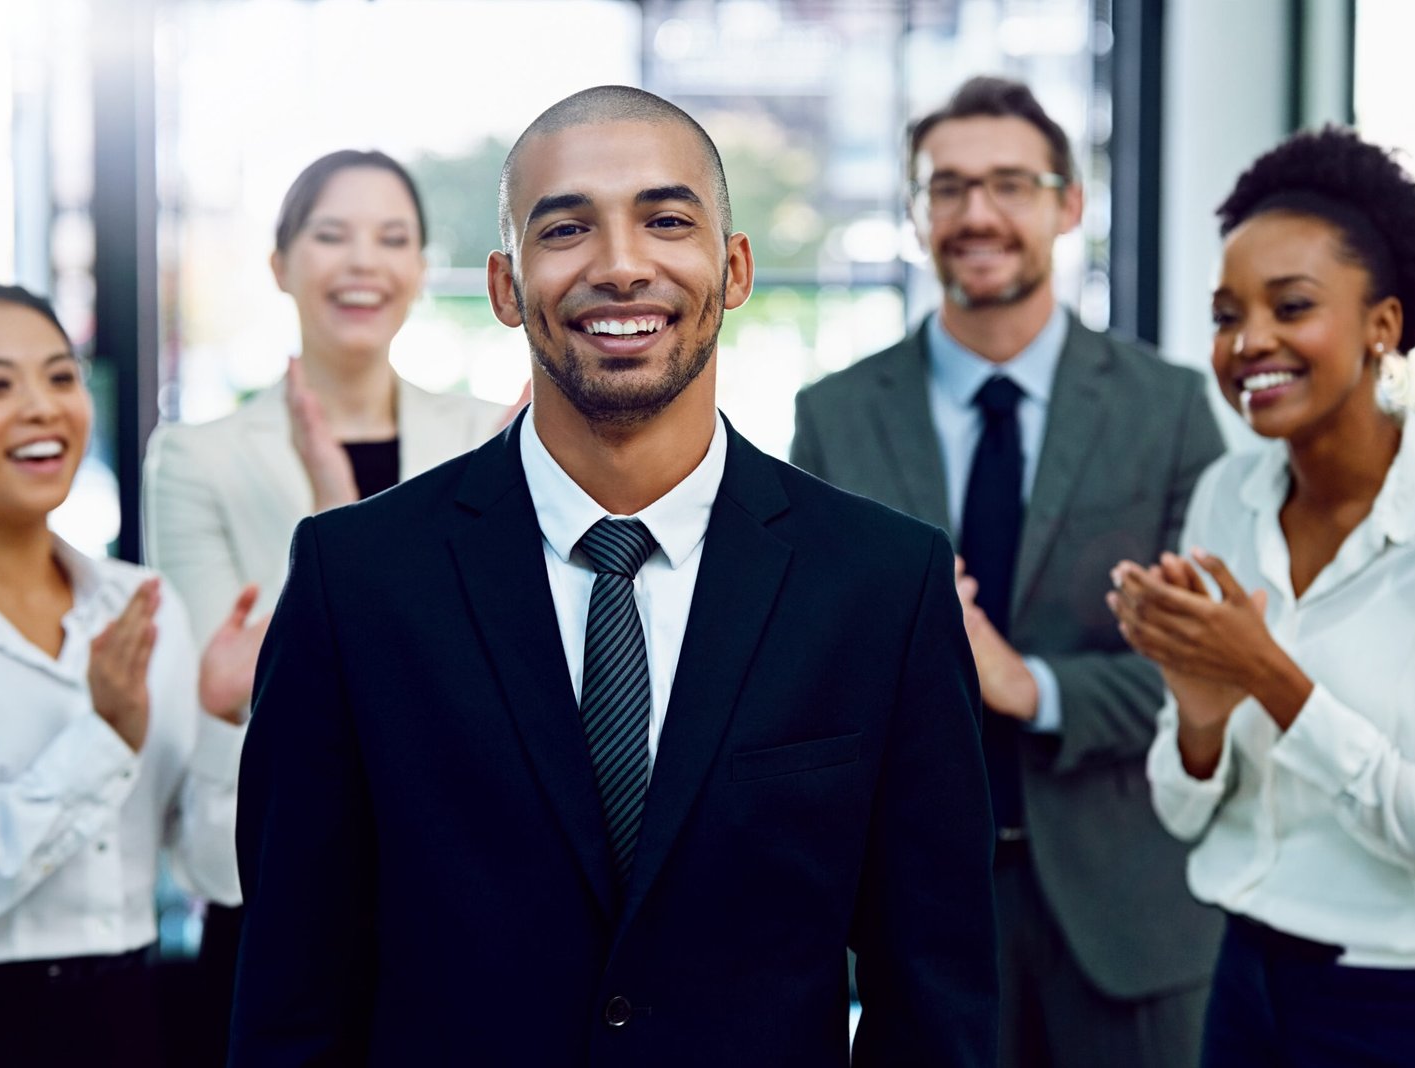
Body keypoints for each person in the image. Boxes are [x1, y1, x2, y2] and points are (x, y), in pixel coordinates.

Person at [229, 85, 997, 1066]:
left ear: (734, 267)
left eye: (666, 221)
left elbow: (936, 1000)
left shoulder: (882, 583)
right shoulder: (355, 582)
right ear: (506, 287)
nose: (622, 265)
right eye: (566, 229)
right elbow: (293, 995)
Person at [791, 75, 1225, 1067]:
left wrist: (1026, 683)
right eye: (946, 187)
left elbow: (1205, 673)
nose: (976, 214)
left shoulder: (1168, 411)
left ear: (1068, 205)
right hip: (909, 923)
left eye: (1010, 184)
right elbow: (803, 669)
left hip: (1130, 924)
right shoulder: (834, 417)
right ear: (915, 213)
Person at [141, 148, 509, 1060]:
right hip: (274, 884)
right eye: (332, 235)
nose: (364, 262)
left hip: (461, 887)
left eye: (393, 238)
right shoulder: (197, 458)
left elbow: (506, 681)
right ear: (280, 264)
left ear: (420, 266)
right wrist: (342, 527)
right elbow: (230, 689)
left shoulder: (485, 439)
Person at [0, 277, 262, 1067]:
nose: (42, 407)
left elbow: (216, 872)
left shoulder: (143, 605)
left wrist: (221, 719)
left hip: (127, 1021)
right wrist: (102, 739)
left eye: (60, 377)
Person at [1110, 126, 1415, 1067]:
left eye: (1291, 306)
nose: (1248, 341)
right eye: (1226, 316)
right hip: (1240, 979)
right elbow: (1184, 814)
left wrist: (1271, 679)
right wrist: (1201, 713)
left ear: (1383, 324)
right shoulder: (1228, 495)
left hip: (1405, 1004)